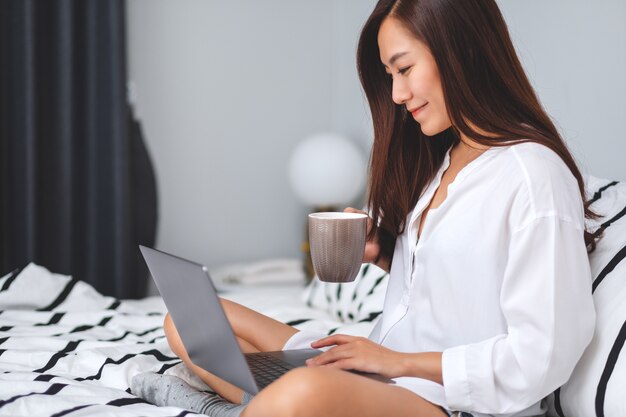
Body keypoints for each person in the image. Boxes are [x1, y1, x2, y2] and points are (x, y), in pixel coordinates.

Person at [131, 1, 597, 416]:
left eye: (404, 68)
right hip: (379, 368)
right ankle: (270, 402)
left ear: (462, 51)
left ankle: (266, 405)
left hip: (441, 399)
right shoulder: (448, 160)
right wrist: (385, 254)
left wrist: (395, 363)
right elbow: (457, 283)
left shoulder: (532, 174)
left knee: (301, 394)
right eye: (390, 75)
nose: (396, 95)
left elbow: (543, 354)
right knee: (190, 324)